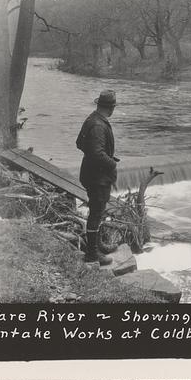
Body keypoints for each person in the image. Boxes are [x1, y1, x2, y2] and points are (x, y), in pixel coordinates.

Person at [76, 90, 120, 265]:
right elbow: (97, 154)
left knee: (97, 211)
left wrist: (100, 156)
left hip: (91, 173)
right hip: (97, 177)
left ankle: (94, 248)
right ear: (111, 108)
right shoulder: (99, 125)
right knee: (96, 213)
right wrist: (112, 163)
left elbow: (79, 143)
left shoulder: (92, 119)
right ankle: (92, 254)